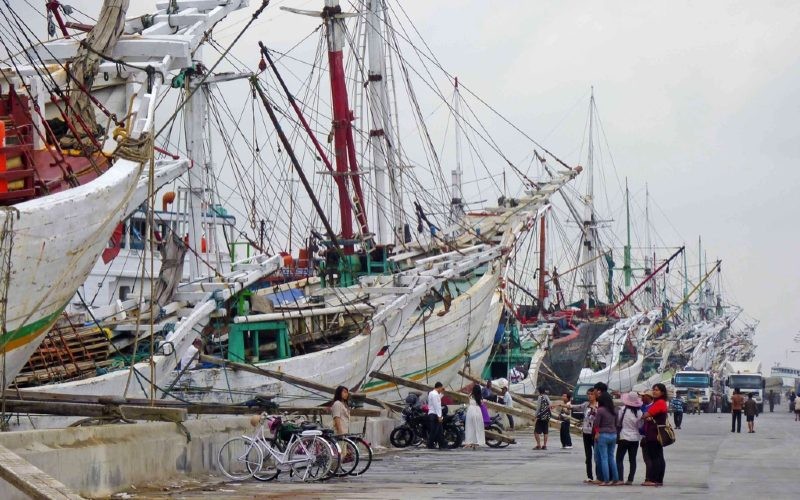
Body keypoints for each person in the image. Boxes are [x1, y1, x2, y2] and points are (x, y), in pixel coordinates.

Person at [641, 383, 669, 486]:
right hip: (657, 432)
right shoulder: (661, 402)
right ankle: (658, 479)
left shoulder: (659, 402)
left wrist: (646, 416)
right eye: (653, 389)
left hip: (654, 433)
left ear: (662, 392)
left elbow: (646, 415)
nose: (654, 391)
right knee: (659, 456)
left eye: (657, 390)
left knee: (655, 456)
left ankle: (654, 479)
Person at [593, 391, 621, 485]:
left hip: (603, 434)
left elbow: (596, 424)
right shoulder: (615, 410)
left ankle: (606, 480)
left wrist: (597, 432)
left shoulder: (600, 410)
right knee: (611, 457)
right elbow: (617, 423)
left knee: (604, 458)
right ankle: (615, 478)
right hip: (613, 434)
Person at [616, 392, 642, 485]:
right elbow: (640, 425)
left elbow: (618, 422)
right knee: (632, 459)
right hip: (635, 438)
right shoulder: (639, 412)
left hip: (624, 436)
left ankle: (620, 479)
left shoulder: (623, 410)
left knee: (619, 459)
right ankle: (630, 479)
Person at [579, 388, 601, 484]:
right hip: (586, 432)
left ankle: (599, 476)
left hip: (595, 433)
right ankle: (589, 476)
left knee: (597, 455)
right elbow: (575, 407)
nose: (589, 396)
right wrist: (561, 405)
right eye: (588, 394)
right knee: (588, 456)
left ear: (595, 395)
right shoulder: (586, 405)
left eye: (591, 394)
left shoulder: (599, 406)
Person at [463, 384, 486, 449]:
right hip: (477, 411)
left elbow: (468, 399)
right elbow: (481, 403)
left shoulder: (470, 395)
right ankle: (476, 442)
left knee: (470, 427)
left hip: (471, 411)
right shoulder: (480, 397)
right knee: (477, 427)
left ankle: (469, 442)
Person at [639, 390, 654, 484]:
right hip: (643, 435)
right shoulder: (643, 406)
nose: (642, 398)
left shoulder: (651, 408)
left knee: (648, 458)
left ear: (649, 397)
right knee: (647, 458)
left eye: (643, 396)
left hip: (648, 435)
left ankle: (649, 478)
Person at [426, 382, 448, 449]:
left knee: (439, 430)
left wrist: (442, 393)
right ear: (439, 387)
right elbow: (437, 405)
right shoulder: (435, 395)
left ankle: (441, 444)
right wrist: (439, 416)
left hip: (432, 413)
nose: (441, 389)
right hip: (435, 414)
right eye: (441, 388)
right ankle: (430, 444)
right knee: (435, 431)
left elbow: (438, 399)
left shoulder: (431, 393)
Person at [533, 386, 551, 450]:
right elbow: (550, 405)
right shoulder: (546, 397)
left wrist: (535, 416)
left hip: (541, 417)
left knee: (536, 432)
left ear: (539, 391)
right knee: (545, 432)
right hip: (547, 417)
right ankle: (545, 445)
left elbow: (538, 408)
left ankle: (538, 445)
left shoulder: (540, 397)